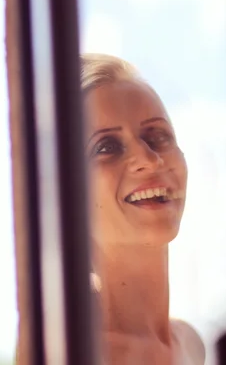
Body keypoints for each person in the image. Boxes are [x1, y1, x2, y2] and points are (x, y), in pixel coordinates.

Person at [82, 53, 205, 364]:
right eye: (106, 146)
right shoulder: (75, 349)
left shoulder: (190, 343)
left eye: (157, 136)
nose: (150, 159)